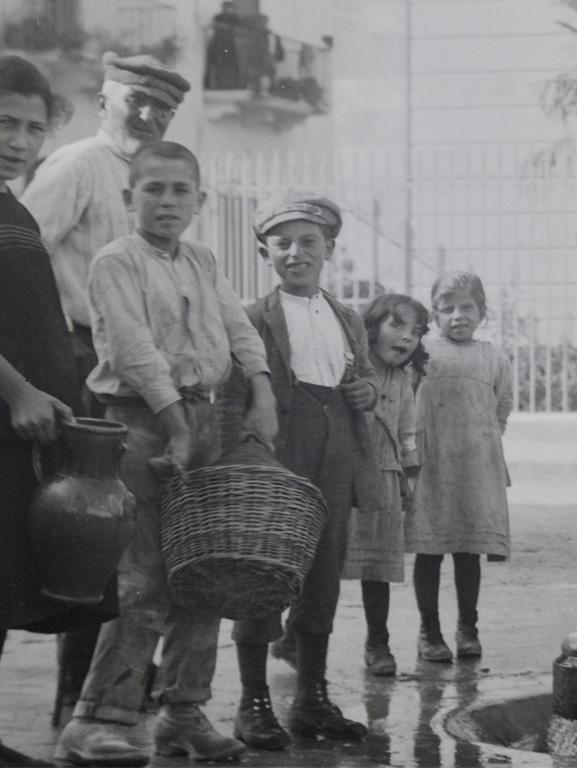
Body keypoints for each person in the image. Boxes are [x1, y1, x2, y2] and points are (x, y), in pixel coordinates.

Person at [54, 141, 277, 767]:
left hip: (207, 417)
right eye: (153, 189)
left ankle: (183, 712)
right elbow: (133, 351)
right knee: (142, 575)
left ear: (200, 200)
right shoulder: (114, 261)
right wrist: (176, 427)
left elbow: (236, 327)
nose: (167, 201)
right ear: (129, 200)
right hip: (140, 424)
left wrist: (261, 390)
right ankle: (97, 717)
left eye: (181, 190)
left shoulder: (203, 260)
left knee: (201, 571)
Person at [20, 52, 190, 721]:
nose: (147, 115)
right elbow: (19, 252)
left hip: (143, 370)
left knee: (134, 530)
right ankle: (73, 704)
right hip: (82, 359)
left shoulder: (156, 177)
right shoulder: (77, 165)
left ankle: (118, 688)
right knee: (91, 530)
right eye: (135, 101)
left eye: (162, 107)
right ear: (105, 100)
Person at [230, 191, 381, 750]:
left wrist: (366, 391)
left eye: (309, 242)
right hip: (278, 456)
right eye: (282, 243)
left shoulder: (347, 317)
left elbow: (363, 379)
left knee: (323, 572)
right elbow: (238, 395)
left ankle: (311, 699)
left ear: (330, 249)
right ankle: (253, 702)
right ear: (264, 251)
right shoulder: (251, 318)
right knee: (263, 571)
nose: (296, 253)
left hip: (336, 454)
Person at [0, 54, 117, 768]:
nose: (16, 139)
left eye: (30, 127)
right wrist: (16, 390)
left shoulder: (13, 207)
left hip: (25, 429)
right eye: (2, 121)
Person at [406, 271, 513, 661]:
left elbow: (502, 404)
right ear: (434, 315)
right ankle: (429, 632)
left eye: (467, 307)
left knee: (469, 550)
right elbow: (405, 400)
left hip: (474, 468)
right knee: (429, 549)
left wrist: (485, 441)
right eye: (447, 309)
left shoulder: (492, 356)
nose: (458, 316)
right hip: (432, 465)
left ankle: (468, 628)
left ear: (482, 312)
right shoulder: (419, 353)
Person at [342, 293, 430, 676]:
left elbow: (407, 431)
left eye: (416, 331)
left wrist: (407, 475)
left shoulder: (402, 380)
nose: (407, 337)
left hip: (384, 477)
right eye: (397, 325)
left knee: (377, 565)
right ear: (370, 327)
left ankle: (377, 642)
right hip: (344, 476)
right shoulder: (350, 372)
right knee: (326, 561)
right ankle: (296, 637)